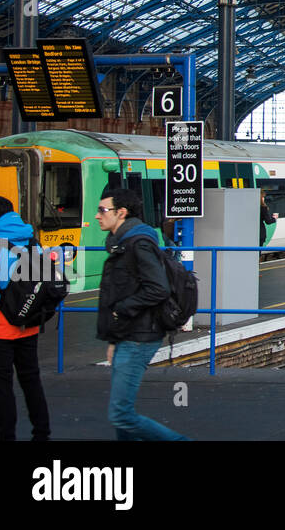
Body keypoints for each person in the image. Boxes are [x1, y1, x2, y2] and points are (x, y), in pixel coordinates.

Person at [94, 188, 187, 441]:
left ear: (121, 213)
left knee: (120, 414)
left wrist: (122, 310)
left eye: (103, 210)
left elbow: (158, 288)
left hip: (139, 336)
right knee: (121, 414)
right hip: (127, 335)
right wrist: (114, 340)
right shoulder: (122, 244)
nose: (97, 216)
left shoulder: (138, 244)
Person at [0, 196, 51, 441]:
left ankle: (6, 437)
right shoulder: (32, 242)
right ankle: (41, 433)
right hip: (27, 324)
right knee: (31, 380)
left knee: (2, 389)